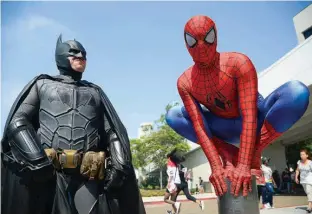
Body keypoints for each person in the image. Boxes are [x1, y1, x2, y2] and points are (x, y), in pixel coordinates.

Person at [165, 15, 310, 197]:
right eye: (193, 41)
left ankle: (255, 149)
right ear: (186, 44)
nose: (201, 47)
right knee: (174, 114)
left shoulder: (238, 63)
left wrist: (245, 163)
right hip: (223, 127)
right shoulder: (185, 82)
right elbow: (199, 126)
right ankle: (228, 152)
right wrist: (217, 165)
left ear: (215, 37)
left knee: (297, 92)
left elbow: (249, 115)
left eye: (207, 38)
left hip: (255, 120)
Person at [1, 35, 146, 214]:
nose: (81, 56)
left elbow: (113, 131)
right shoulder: (42, 84)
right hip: (49, 176)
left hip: (88, 176)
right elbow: (18, 121)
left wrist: (120, 162)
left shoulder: (95, 92)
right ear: (61, 56)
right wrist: (37, 159)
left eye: (83, 53)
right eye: (74, 52)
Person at [295, 149, 312, 213]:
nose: (301, 156)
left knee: (309, 191)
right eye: (301, 154)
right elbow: (297, 170)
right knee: (308, 192)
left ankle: (309, 206)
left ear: (307, 155)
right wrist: (296, 177)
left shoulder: (310, 162)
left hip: (310, 179)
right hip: (303, 180)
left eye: (303, 154)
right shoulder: (299, 162)